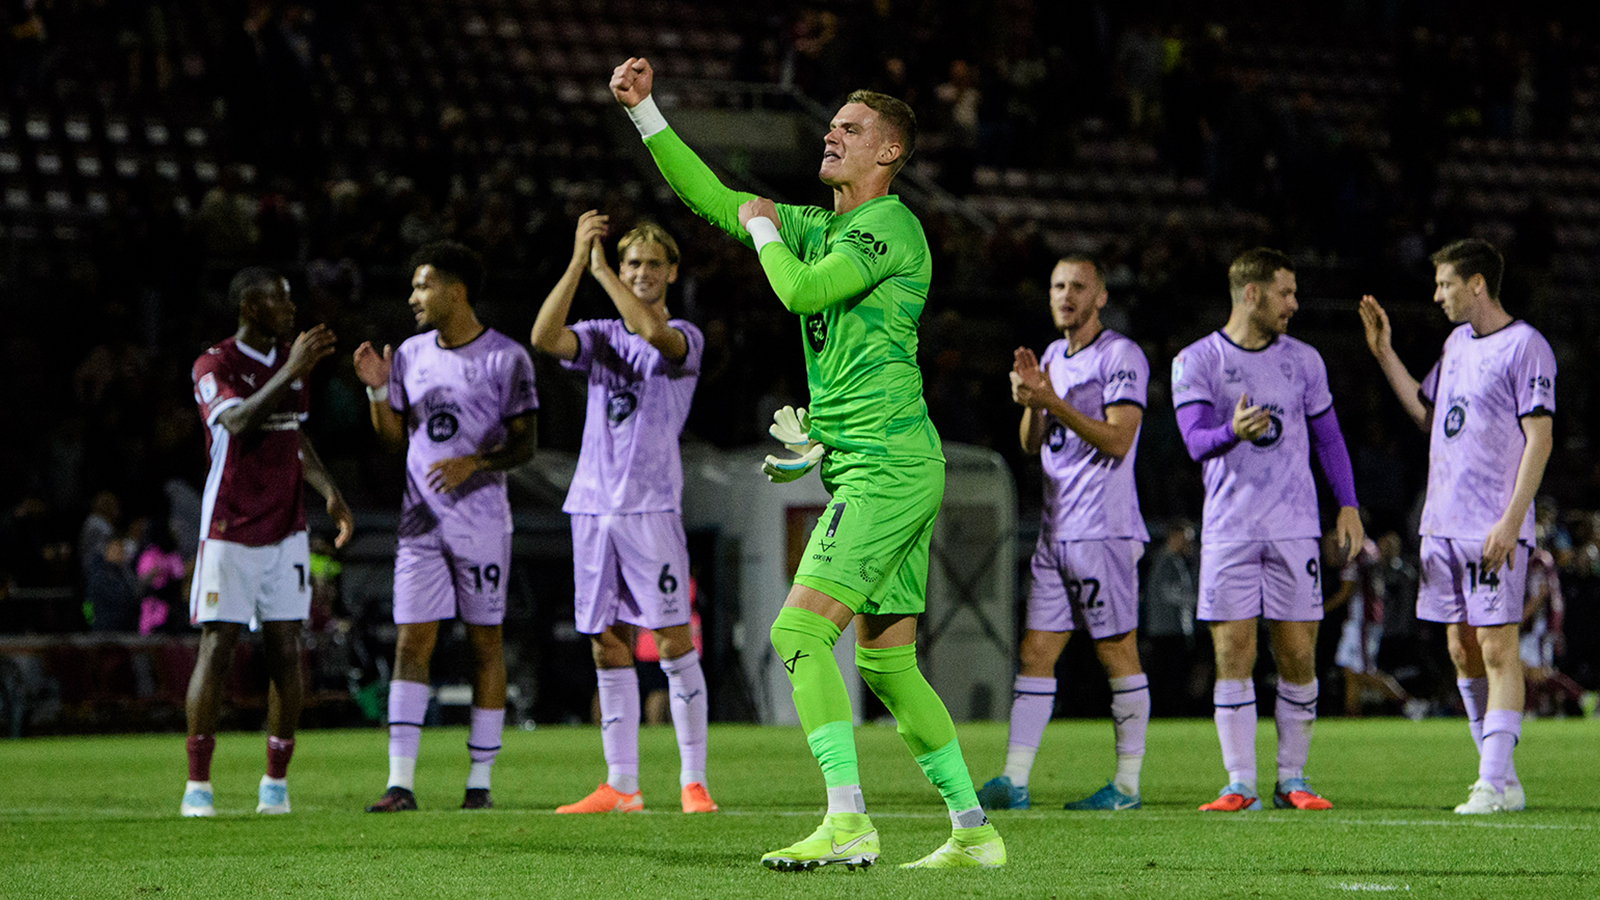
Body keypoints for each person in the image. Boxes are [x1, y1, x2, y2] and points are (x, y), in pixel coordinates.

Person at [610, 56, 1005, 869]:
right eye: (831, 124)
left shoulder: (888, 227)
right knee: (889, 667)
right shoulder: (824, 224)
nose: (831, 133)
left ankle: (848, 819)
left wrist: (760, 229)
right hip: (877, 461)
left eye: (851, 129)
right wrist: (647, 112)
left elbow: (800, 293)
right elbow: (719, 200)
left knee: (796, 632)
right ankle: (973, 831)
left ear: (889, 153)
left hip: (887, 467)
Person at [529, 212, 716, 814]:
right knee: (605, 642)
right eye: (633, 262)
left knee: (669, 640)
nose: (641, 273)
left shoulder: (685, 335)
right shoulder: (602, 333)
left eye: (651, 264)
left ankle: (693, 780)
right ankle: (623, 785)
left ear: (672, 272)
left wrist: (603, 269)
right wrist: (576, 265)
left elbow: (651, 331)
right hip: (591, 504)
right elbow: (544, 337)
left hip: (649, 507)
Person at [1360, 238, 1554, 813]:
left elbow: (1539, 439)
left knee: (1499, 649)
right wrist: (1385, 355)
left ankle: (1492, 783)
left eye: (1445, 283)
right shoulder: (1454, 344)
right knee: (1461, 649)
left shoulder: (1526, 346)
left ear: (1476, 284)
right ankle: (1500, 777)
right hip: (1442, 525)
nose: (1437, 294)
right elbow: (1429, 415)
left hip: (1492, 525)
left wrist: (1511, 521)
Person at [1171, 247, 1362, 813]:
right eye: (1285, 292)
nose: (1294, 305)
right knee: (1234, 651)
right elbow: (1193, 441)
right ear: (1250, 293)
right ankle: (1239, 784)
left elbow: (1328, 438)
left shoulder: (1304, 360)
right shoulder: (1197, 360)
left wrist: (1347, 506)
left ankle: (1292, 778)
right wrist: (1230, 430)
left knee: (1298, 653)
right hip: (1230, 529)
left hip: (1295, 527)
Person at [353, 241, 538, 812]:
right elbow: (394, 439)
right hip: (419, 522)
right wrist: (378, 389)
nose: (414, 297)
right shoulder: (408, 354)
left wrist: (475, 463)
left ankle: (479, 783)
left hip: (481, 523)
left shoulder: (507, 358)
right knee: (412, 641)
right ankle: (400, 783)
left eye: (423, 285)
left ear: (455, 291)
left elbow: (525, 444)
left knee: (485, 644)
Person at [975, 257, 1151, 812]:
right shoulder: (1052, 356)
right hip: (1056, 531)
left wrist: (1051, 400)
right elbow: (1032, 445)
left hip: (1103, 528)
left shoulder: (1120, 356)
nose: (1065, 295)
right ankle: (1015, 780)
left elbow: (1119, 440)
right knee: (1035, 651)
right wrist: (1032, 405)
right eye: (1057, 286)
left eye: (1077, 286)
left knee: (1116, 650)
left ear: (1100, 297)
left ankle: (1126, 786)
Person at [182, 267, 354, 817]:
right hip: (229, 526)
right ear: (250, 308)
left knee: (287, 649)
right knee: (219, 647)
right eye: (278, 301)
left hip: (287, 529)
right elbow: (239, 423)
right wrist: (295, 368)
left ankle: (275, 786)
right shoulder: (214, 364)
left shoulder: (288, 360)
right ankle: (198, 787)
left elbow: (290, 433)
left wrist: (329, 491)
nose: (289, 308)